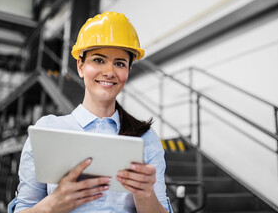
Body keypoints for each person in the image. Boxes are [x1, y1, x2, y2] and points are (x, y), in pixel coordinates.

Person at [14, 11, 173, 213]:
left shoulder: (146, 140)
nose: (109, 71)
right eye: (98, 60)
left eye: (119, 63)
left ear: (128, 72)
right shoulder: (48, 131)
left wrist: (145, 194)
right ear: (80, 66)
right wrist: (53, 204)